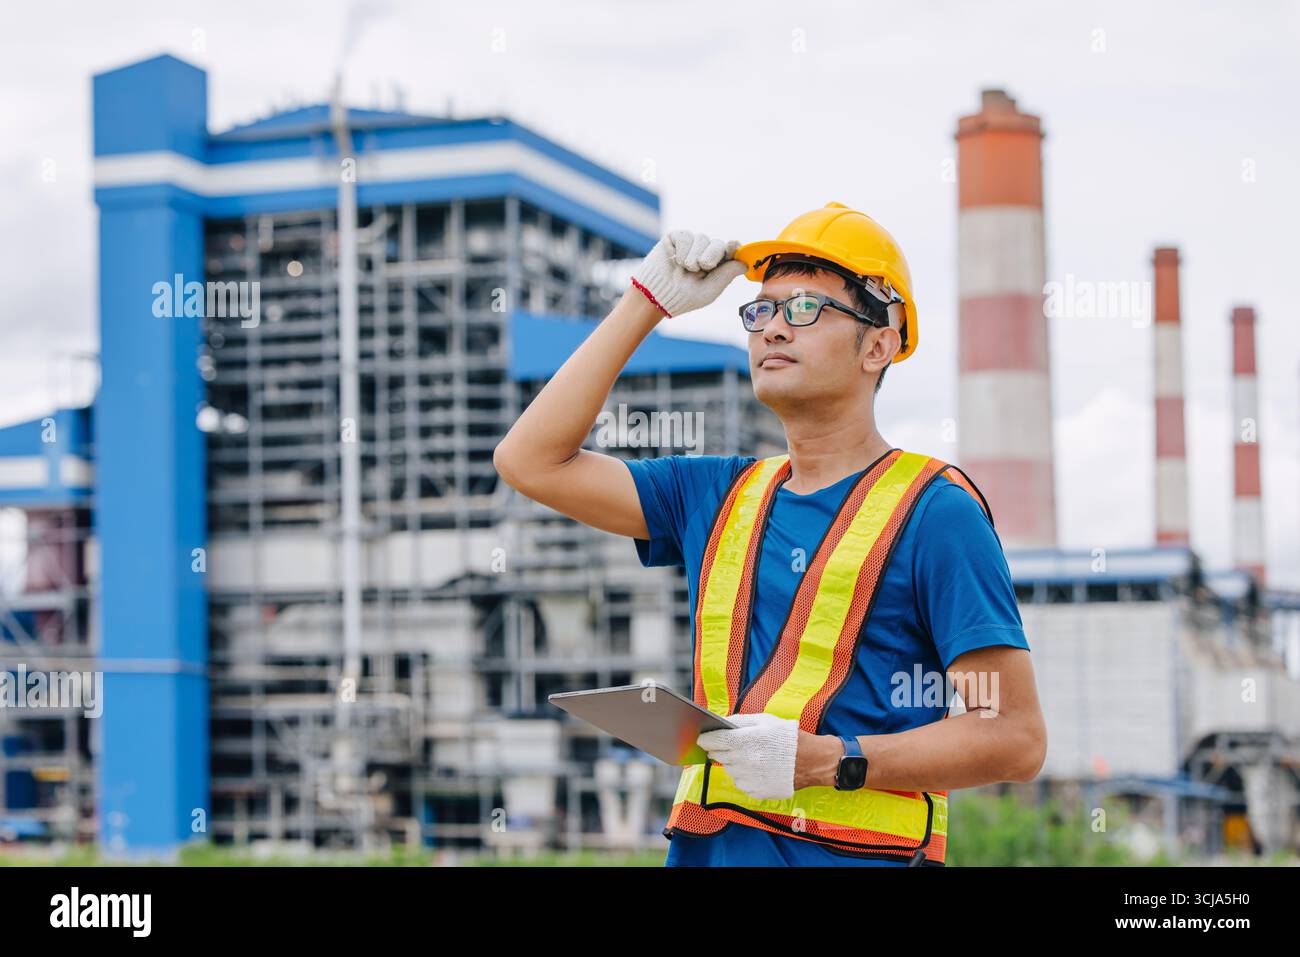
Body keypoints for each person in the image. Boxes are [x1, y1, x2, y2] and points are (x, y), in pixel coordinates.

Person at [494, 201, 1047, 866]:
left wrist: (828, 760)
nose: (773, 329)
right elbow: (528, 460)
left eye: (805, 309)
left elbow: (1015, 736)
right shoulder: (716, 494)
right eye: (761, 311)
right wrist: (645, 302)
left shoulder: (936, 514)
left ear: (879, 344)